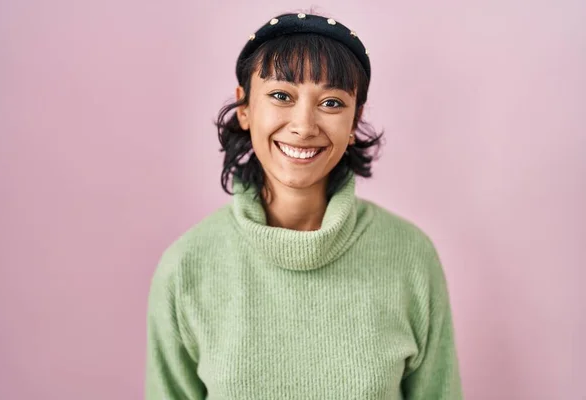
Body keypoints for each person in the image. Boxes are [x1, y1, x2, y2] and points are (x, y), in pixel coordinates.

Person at [145, 11, 463, 400]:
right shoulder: (186, 266)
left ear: (354, 122)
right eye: (281, 96)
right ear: (244, 107)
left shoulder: (411, 256)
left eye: (331, 102)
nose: (304, 125)